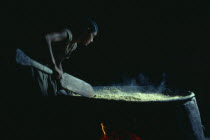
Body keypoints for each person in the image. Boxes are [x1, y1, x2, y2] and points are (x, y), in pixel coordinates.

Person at [16, 18, 98, 96]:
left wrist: (63, 81)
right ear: (87, 31)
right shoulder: (67, 35)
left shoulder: (74, 46)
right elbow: (47, 38)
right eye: (93, 36)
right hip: (37, 66)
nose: (92, 40)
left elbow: (59, 60)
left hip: (48, 71)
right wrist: (54, 66)